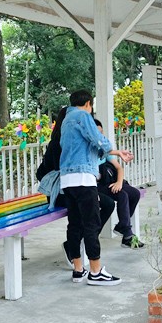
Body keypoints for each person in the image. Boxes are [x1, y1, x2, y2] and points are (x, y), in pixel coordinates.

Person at [59, 90, 130, 286]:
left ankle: (78, 269)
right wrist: (116, 151)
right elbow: (97, 138)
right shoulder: (83, 115)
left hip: (68, 180)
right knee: (91, 224)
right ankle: (96, 271)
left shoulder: (66, 120)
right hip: (83, 178)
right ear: (89, 103)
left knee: (74, 225)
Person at [36, 106, 116, 266]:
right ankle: (78, 248)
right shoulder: (58, 143)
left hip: (75, 188)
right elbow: (41, 172)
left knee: (106, 204)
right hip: (61, 193)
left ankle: (82, 242)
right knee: (87, 211)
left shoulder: (73, 140)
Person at [93, 118, 144, 249]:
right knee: (122, 195)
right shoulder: (88, 150)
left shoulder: (104, 148)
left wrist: (119, 182)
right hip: (97, 186)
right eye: (97, 133)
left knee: (135, 193)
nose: (101, 136)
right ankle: (127, 234)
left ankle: (122, 226)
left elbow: (119, 167)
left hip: (110, 181)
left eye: (102, 132)